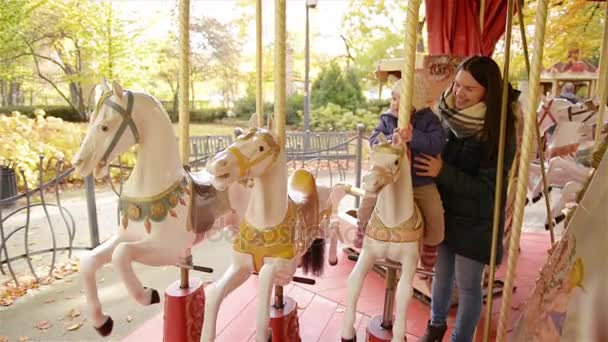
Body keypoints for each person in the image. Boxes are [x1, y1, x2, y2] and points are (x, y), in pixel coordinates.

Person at [415, 56, 518, 342]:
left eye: (469, 89)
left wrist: (442, 171)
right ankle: (435, 328)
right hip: (447, 212)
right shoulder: (447, 116)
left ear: (488, 92)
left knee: (469, 285)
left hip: (477, 220)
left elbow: (489, 191)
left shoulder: (498, 133)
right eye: (457, 85)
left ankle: (461, 338)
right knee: (441, 275)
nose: (459, 94)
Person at [357, 78, 446, 271]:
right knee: (370, 195)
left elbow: (438, 142)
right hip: (390, 179)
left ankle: (431, 244)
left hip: (420, 180)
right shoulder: (387, 119)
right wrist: (392, 138)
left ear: (413, 103)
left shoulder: (428, 120)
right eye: (393, 98)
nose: (395, 103)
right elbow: (374, 140)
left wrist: (414, 137)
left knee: (434, 210)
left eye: (400, 99)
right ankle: (362, 226)